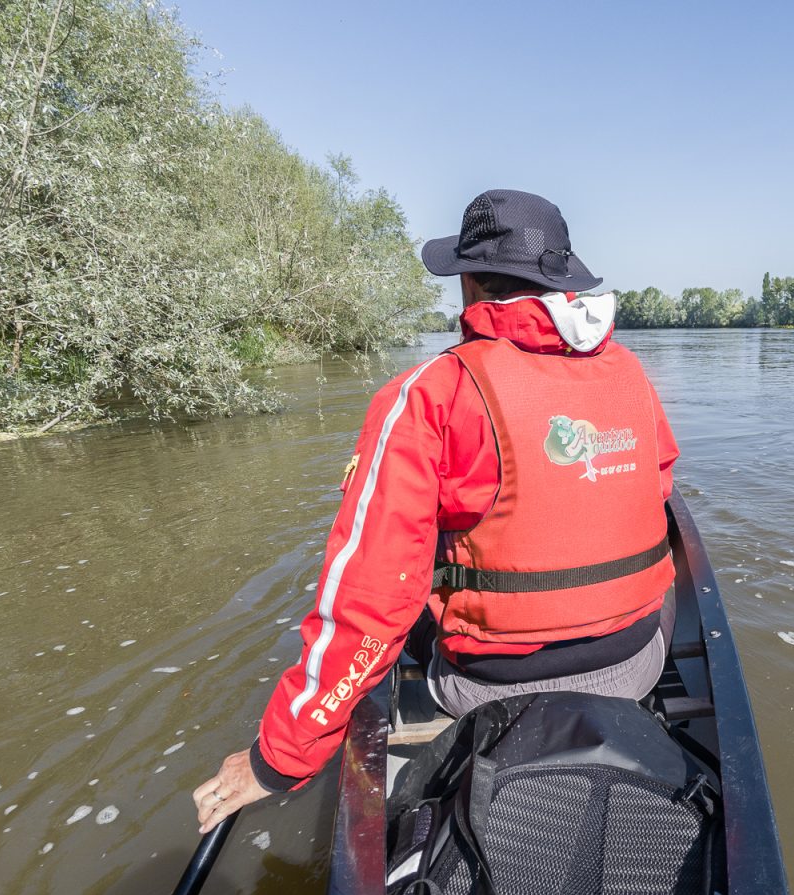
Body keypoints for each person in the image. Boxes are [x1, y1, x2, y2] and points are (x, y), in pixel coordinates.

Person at [193, 189, 679, 833]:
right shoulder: (632, 374)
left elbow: (370, 602)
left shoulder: (428, 394)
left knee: (406, 592)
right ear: (561, 281)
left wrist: (277, 760)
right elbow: (660, 487)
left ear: (470, 283)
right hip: (635, 662)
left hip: (491, 687)